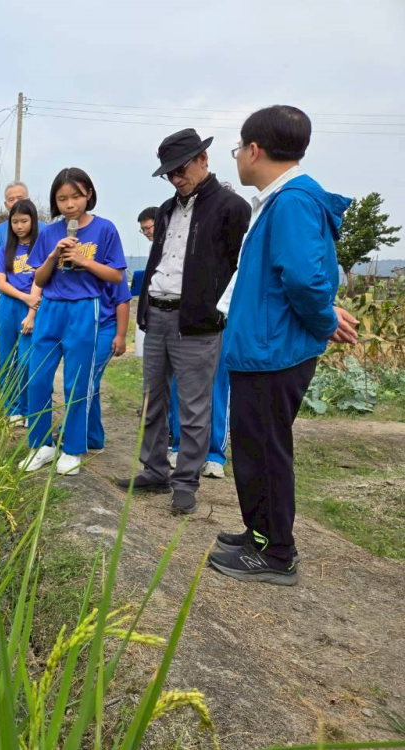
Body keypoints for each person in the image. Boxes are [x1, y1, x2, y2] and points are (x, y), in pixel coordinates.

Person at [209, 105, 358, 585]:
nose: (237, 157)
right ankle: (258, 534)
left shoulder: (292, 201)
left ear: (254, 150)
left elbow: (304, 279)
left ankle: (276, 553)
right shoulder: (281, 200)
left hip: (272, 352)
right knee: (254, 448)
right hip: (262, 347)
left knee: (265, 452)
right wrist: (323, 313)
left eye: (237, 148)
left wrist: (323, 320)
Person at [117, 129, 251, 515]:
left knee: (193, 406)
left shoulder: (231, 207)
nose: (176, 178)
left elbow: (240, 268)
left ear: (203, 160)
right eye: (169, 173)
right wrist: (144, 308)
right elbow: (158, 260)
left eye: (181, 169)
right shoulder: (165, 209)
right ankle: (155, 470)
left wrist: (218, 311)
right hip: (157, 313)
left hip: (198, 322)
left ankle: (186, 481)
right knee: (152, 399)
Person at [20, 168, 126, 476]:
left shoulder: (105, 229)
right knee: (37, 377)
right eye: (62, 198)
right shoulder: (49, 233)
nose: (70, 204)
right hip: (50, 308)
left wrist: (83, 260)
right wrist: (54, 255)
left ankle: (73, 448)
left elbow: (116, 275)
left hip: (84, 308)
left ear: (89, 194)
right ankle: (40, 445)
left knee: (77, 382)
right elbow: (39, 278)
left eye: (76, 196)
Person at [0, 199, 42, 425]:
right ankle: (12, 408)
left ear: (33, 221)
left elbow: (42, 280)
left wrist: (31, 308)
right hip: (8, 306)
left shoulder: (41, 249)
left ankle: (29, 408)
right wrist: (24, 297)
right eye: (15, 222)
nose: (19, 226)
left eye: (24, 221)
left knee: (27, 361)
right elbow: (0, 282)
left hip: (33, 307)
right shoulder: (5, 250)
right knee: (7, 359)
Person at [87, 273, 131, 452]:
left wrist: (121, 335)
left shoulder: (113, 268)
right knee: (90, 384)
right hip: (83, 328)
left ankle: (69, 431)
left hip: (106, 328)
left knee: (86, 381)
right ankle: (93, 437)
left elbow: (123, 300)